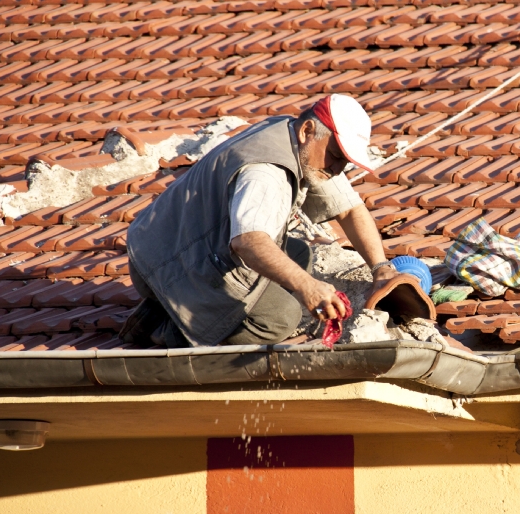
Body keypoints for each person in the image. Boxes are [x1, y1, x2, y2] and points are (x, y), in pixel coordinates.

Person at [120, 94, 396, 348]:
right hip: (164, 262)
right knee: (280, 318)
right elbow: (247, 241)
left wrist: (380, 267)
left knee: (298, 255)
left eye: (345, 162)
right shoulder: (266, 172)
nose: (338, 169)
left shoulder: (296, 140)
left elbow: (349, 210)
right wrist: (307, 286)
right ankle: (165, 329)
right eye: (336, 156)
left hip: (174, 246)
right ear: (308, 131)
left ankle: (169, 306)